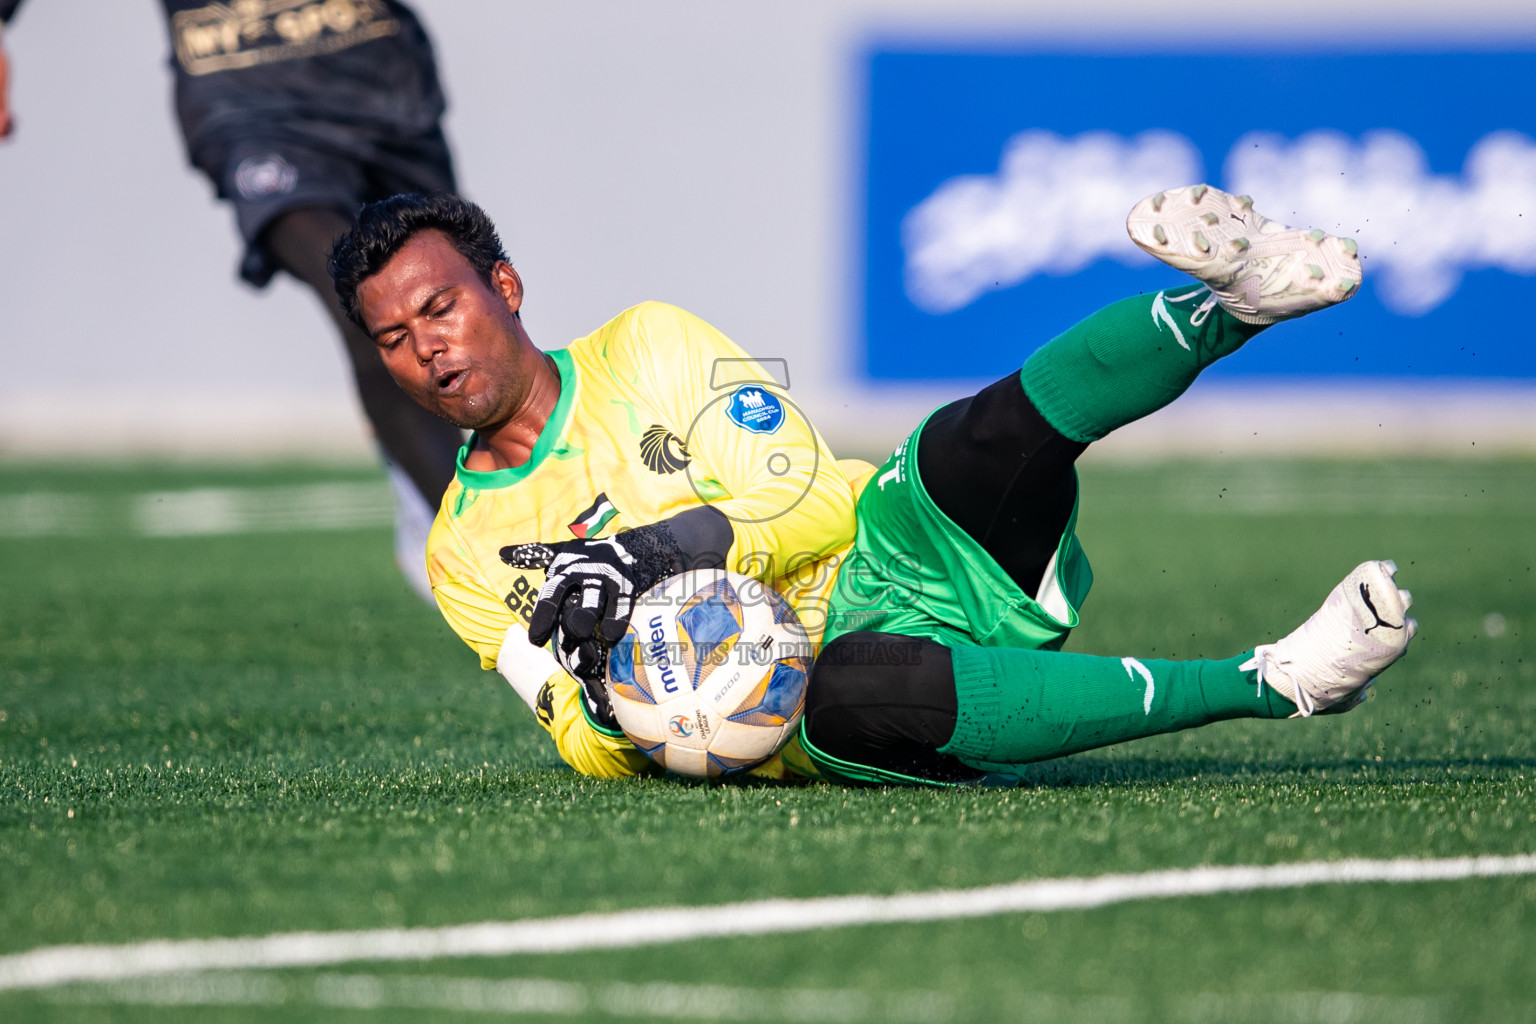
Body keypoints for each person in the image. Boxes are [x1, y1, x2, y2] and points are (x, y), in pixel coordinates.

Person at [327, 185, 1417, 784]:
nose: (427, 347)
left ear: (504, 288)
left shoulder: (648, 345)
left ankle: (1238, 303)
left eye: (442, 308)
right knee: (847, 691)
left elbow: (811, 497)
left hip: (891, 551)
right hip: (793, 696)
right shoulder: (462, 551)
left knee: (965, 441)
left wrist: (663, 556)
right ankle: (1275, 680)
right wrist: (610, 677)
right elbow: (576, 735)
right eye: (392, 336)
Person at [0, 0, 464, 598]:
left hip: (380, 76)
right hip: (244, 88)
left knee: (451, 301)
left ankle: (438, 475)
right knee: (365, 296)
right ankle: (464, 538)